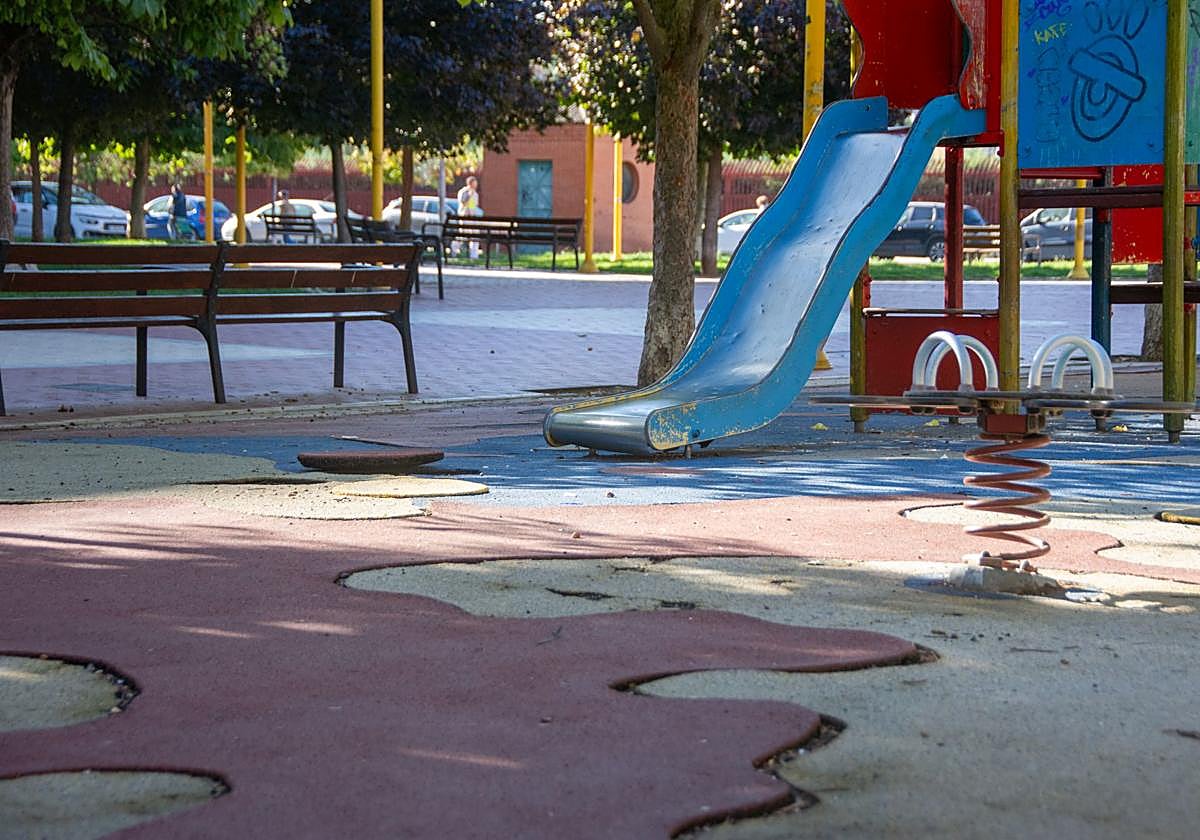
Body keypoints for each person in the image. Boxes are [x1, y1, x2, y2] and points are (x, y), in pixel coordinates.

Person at [455, 176, 481, 259]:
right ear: (470, 183)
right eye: (474, 183)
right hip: (464, 217)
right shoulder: (463, 192)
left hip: (472, 218)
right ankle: (454, 251)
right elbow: (463, 202)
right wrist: (469, 195)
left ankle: (474, 256)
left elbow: (474, 206)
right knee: (462, 236)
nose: (476, 185)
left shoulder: (475, 194)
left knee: (475, 236)